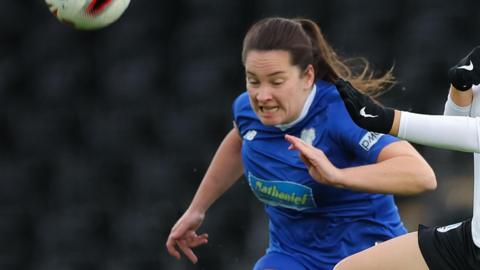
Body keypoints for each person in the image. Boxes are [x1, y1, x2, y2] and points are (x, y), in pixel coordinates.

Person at [165, 17, 436, 270]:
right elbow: (239, 140)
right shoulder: (247, 110)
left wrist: (337, 176)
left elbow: (421, 175)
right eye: (253, 80)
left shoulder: (342, 115)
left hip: (365, 256)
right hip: (293, 257)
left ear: (308, 76)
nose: (262, 95)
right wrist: (197, 209)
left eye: (277, 81)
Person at [285, 46, 480, 269]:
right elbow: (456, 126)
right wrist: (461, 85)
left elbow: (474, 134)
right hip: (471, 241)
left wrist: (387, 120)